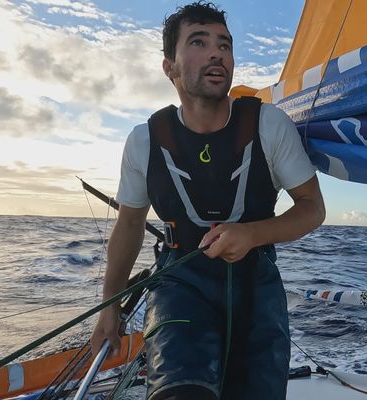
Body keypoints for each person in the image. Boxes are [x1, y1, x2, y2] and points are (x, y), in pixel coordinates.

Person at [89, 2, 325, 399]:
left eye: (225, 45)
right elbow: (129, 224)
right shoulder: (145, 140)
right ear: (171, 67)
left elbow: (312, 208)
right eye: (199, 42)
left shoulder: (269, 125)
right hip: (180, 283)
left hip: (257, 284)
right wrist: (109, 308)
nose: (217, 53)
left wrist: (252, 233)